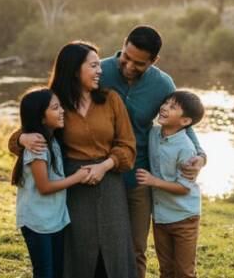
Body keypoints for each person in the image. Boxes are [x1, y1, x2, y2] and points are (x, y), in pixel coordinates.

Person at [11, 26, 207, 278]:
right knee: (80, 248)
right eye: (126, 57)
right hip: (78, 181)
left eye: (138, 63)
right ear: (123, 44)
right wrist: (22, 138)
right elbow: (34, 124)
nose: (127, 66)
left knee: (130, 249)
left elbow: (183, 121)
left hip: (135, 175)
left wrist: (200, 156)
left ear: (153, 61)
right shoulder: (90, 75)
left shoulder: (160, 85)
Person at [11, 41, 137, 278]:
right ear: (74, 69)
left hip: (110, 185)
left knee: (115, 254)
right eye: (93, 66)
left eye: (99, 66)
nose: (100, 71)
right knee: (79, 254)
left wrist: (104, 166)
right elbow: (26, 131)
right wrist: (22, 139)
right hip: (72, 188)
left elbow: (128, 147)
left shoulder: (111, 100)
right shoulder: (55, 103)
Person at [11, 87, 90, 278]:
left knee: (57, 270)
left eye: (60, 106)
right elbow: (44, 187)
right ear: (41, 117)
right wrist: (76, 178)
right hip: (37, 221)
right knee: (45, 272)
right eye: (55, 108)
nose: (62, 111)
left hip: (53, 219)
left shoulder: (53, 140)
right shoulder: (37, 145)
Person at [136, 90, 204, 278]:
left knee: (184, 272)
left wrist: (153, 181)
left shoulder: (186, 148)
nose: (164, 107)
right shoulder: (153, 134)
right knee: (166, 270)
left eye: (172, 107)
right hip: (161, 218)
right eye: (166, 103)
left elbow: (183, 188)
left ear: (185, 121)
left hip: (184, 218)